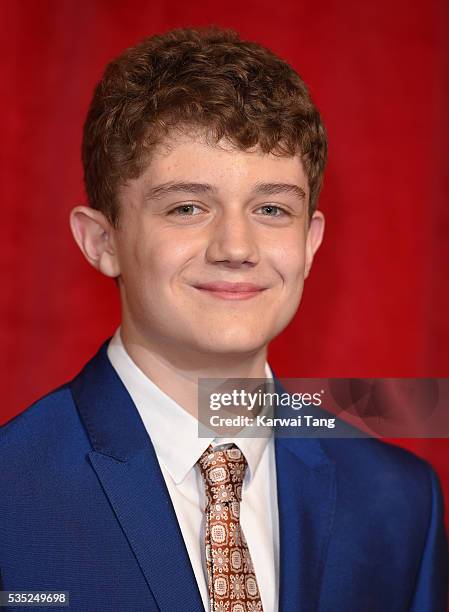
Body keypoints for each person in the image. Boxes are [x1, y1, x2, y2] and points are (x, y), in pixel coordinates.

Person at [0, 26, 447, 612]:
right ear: (101, 240)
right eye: (188, 207)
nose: (237, 247)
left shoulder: (400, 503)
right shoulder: (13, 493)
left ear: (311, 242)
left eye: (271, 209)